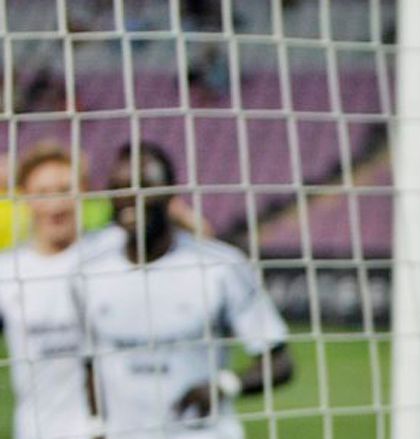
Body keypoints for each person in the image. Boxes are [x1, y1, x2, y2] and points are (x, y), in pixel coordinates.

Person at [78, 141, 293, 439]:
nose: (129, 198)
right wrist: (96, 425)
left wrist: (222, 386)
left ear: (170, 195)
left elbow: (279, 361)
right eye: (119, 188)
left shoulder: (220, 266)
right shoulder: (89, 270)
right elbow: (88, 362)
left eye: (144, 187)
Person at [0, 143, 116, 439]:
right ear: (24, 197)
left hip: (118, 429)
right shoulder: (7, 271)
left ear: (84, 191)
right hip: (38, 431)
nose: (55, 204)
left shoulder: (112, 249)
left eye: (65, 189)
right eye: (43, 192)